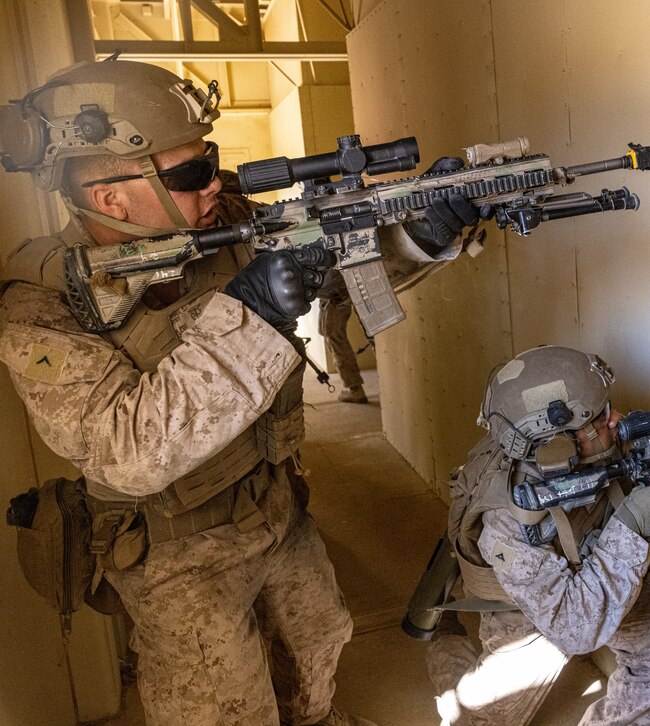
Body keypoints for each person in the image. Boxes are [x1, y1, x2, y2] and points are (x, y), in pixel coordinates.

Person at [0, 58, 475, 726]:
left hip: (275, 510)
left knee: (315, 660)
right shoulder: (40, 305)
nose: (216, 183)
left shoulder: (229, 226)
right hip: (174, 558)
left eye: (213, 162)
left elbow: (338, 281)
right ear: (111, 197)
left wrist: (415, 239)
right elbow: (125, 449)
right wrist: (252, 314)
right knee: (225, 711)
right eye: (193, 173)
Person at [426, 345, 650, 725]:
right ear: (557, 444)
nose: (616, 419)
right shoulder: (504, 520)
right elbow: (575, 628)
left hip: (590, 579)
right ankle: (445, 637)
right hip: (527, 612)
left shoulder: (599, 449)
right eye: (600, 419)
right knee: (478, 719)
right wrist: (632, 528)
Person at [318, 271, 370, 404]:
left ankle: (355, 389)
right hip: (357, 274)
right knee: (374, 330)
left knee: (334, 337)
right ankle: (358, 388)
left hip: (335, 284)